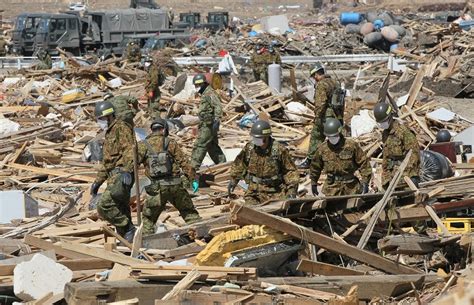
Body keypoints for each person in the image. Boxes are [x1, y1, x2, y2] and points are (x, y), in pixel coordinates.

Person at [138, 119, 201, 235]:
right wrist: (193, 179)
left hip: (156, 189)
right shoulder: (170, 142)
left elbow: (132, 164)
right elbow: (184, 163)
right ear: (164, 129)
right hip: (175, 185)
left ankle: (147, 242)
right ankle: (201, 233)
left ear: (151, 130)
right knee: (189, 213)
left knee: (149, 219)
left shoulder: (143, 145)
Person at [90, 101, 136, 242]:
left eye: (102, 119)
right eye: (99, 120)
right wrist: (98, 182)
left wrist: (127, 170)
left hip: (122, 174)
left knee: (104, 205)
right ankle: (128, 239)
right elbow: (108, 161)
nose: (100, 122)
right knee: (121, 209)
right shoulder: (109, 133)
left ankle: (128, 228)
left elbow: (130, 150)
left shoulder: (121, 128)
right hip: (113, 175)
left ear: (110, 116)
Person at [228, 120, 299, 205]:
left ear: (266, 137)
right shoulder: (250, 148)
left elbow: (290, 171)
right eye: (254, 138)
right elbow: (239, 164)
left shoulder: (279, 150)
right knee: (250, 213)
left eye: (258, 138)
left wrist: (291, 191)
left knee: (276, 213)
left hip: (275, 192)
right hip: (254, 192)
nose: (255, 140)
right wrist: (234, 180)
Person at [310, 118, 372, 196]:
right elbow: (315, 166)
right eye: (330, 136)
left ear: (339, 132)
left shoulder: (351, 146)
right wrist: (313, 182)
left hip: (351, 188)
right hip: (331, 189)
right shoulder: (322, 149)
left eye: (335, 135)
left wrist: (365, 182)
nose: (333, 138)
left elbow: (364, 163)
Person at [299, 62, 339, 169]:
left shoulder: (322, 84)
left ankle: (310, 160)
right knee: (335, 139)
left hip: (325, 117)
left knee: (316, 137)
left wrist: (317, 117)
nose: (314, 79)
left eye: (313, 76)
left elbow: (320, 104)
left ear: (316, 74)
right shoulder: (334, 82)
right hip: (336, 116)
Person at [373, 102, 421, 189]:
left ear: (390, 117)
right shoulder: (385, 134)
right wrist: (385, 176)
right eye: (380, 122)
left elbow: (414, 154)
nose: (382, 124)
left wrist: (406, 175)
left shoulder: (403, 131)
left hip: (405, 175)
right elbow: (386, 156)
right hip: (391, 175)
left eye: (384, 121)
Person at [190, 74, 226, 170]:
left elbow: (218, 106)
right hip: (206, 124)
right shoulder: (205, 93)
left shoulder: (209, 93)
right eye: (196, 86)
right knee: (212, 146)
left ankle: (193, 168)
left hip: (209, 125)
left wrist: (217, 120)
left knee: (200, 145)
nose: (197, 88)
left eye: (198, 85)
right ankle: (222, 165)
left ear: (203, 84)